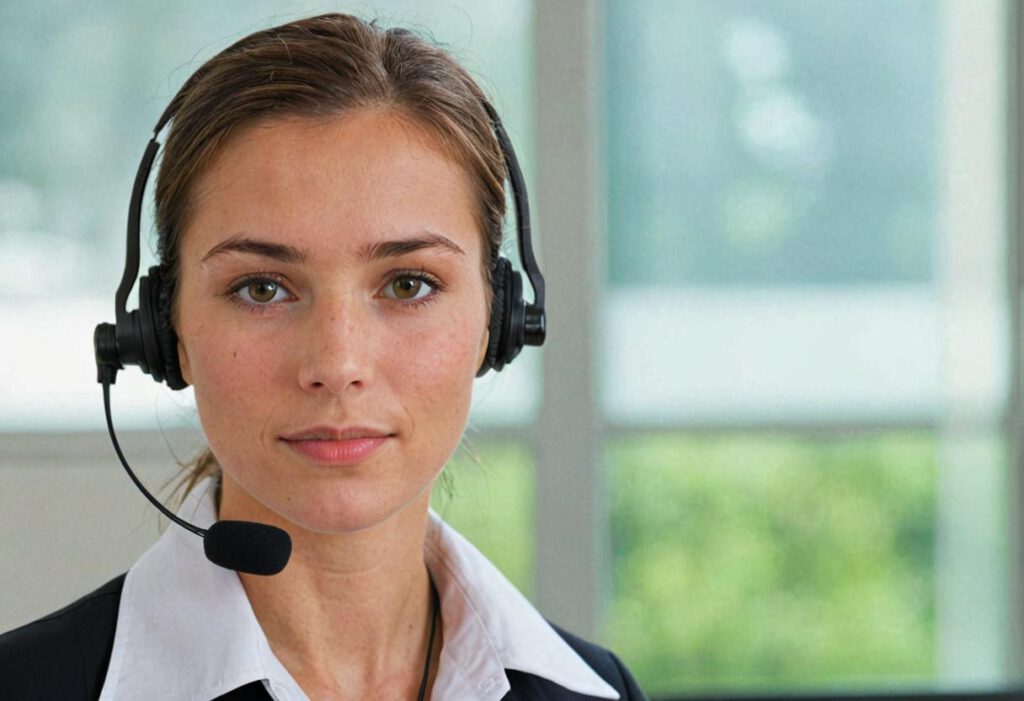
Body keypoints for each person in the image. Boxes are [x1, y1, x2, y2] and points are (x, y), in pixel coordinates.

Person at [0, 12, 647, 701]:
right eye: (262, 288)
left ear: (502, 318)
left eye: (408, 284)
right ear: (165, 330)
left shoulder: (600, 691)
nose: (338, 363)